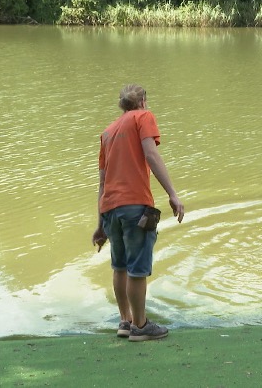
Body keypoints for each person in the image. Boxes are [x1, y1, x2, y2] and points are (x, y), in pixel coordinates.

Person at [91, 84, 184, 342]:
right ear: (143, 101)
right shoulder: (144, 117)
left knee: (119, 266)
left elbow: (102, 181)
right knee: (137, 268)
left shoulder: (107, 133)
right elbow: (151, 154)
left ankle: (126, 320)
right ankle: (141, 326)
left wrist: (100, 224)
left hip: (110, 209)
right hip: (135, 206)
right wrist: (173, 194)